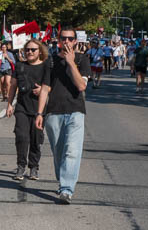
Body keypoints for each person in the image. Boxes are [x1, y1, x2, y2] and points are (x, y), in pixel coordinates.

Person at [37, 29, 90, 204]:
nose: (67, 41)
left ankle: (66, 189)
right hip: (54, 111)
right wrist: (39, 113)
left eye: (70, 38)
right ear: (58, 40)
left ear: (75, 41)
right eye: (63, 38)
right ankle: (63, 180)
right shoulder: (50, 61)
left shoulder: (82, 59)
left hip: (76, 111)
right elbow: (45, 87)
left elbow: (81, 86)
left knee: (72, 151)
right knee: (59, 152)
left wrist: (71, 62)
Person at [8, 39, 49, 181]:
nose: (30, 52)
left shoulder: (45, 67)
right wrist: (9, 104)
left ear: (40, 51)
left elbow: (50, 85)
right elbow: (13, 86)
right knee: (21, 136)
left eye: (33, 50)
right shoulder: (19, 66)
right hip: (22, 107)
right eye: (27, 50)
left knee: (35, 139)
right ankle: (20, 166)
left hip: (39, 109)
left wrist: (43, 90)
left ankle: (34, 167)